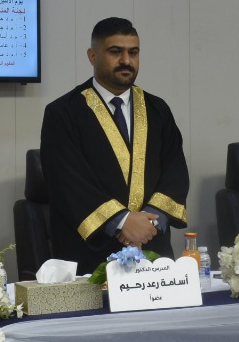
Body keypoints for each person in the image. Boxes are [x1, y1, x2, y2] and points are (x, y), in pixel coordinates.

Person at [40, 17, 189, 268]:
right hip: (91, 252)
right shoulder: (63, 113)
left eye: (133, 52)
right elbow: (67, 182)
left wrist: (150, 223)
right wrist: (121, 222)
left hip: (152, 247)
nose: (126, 61)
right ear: (92, 56)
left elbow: (175, 172)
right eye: (115, 52)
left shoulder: (157, 109)